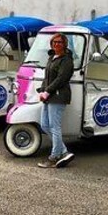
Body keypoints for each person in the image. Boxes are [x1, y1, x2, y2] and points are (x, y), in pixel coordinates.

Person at [36, 33, 75, 168]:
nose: (56, 44)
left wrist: (47, 91)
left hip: (58, 96)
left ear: (64, 44)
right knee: (45, 125)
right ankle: (63, 151)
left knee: (54, 126)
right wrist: (42, 90)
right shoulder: (52, 57)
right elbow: (47, 77)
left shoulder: (66, 60)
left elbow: (61, 79)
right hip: (49, 96)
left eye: (59, 42)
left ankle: (54, 157)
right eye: (54, 42)